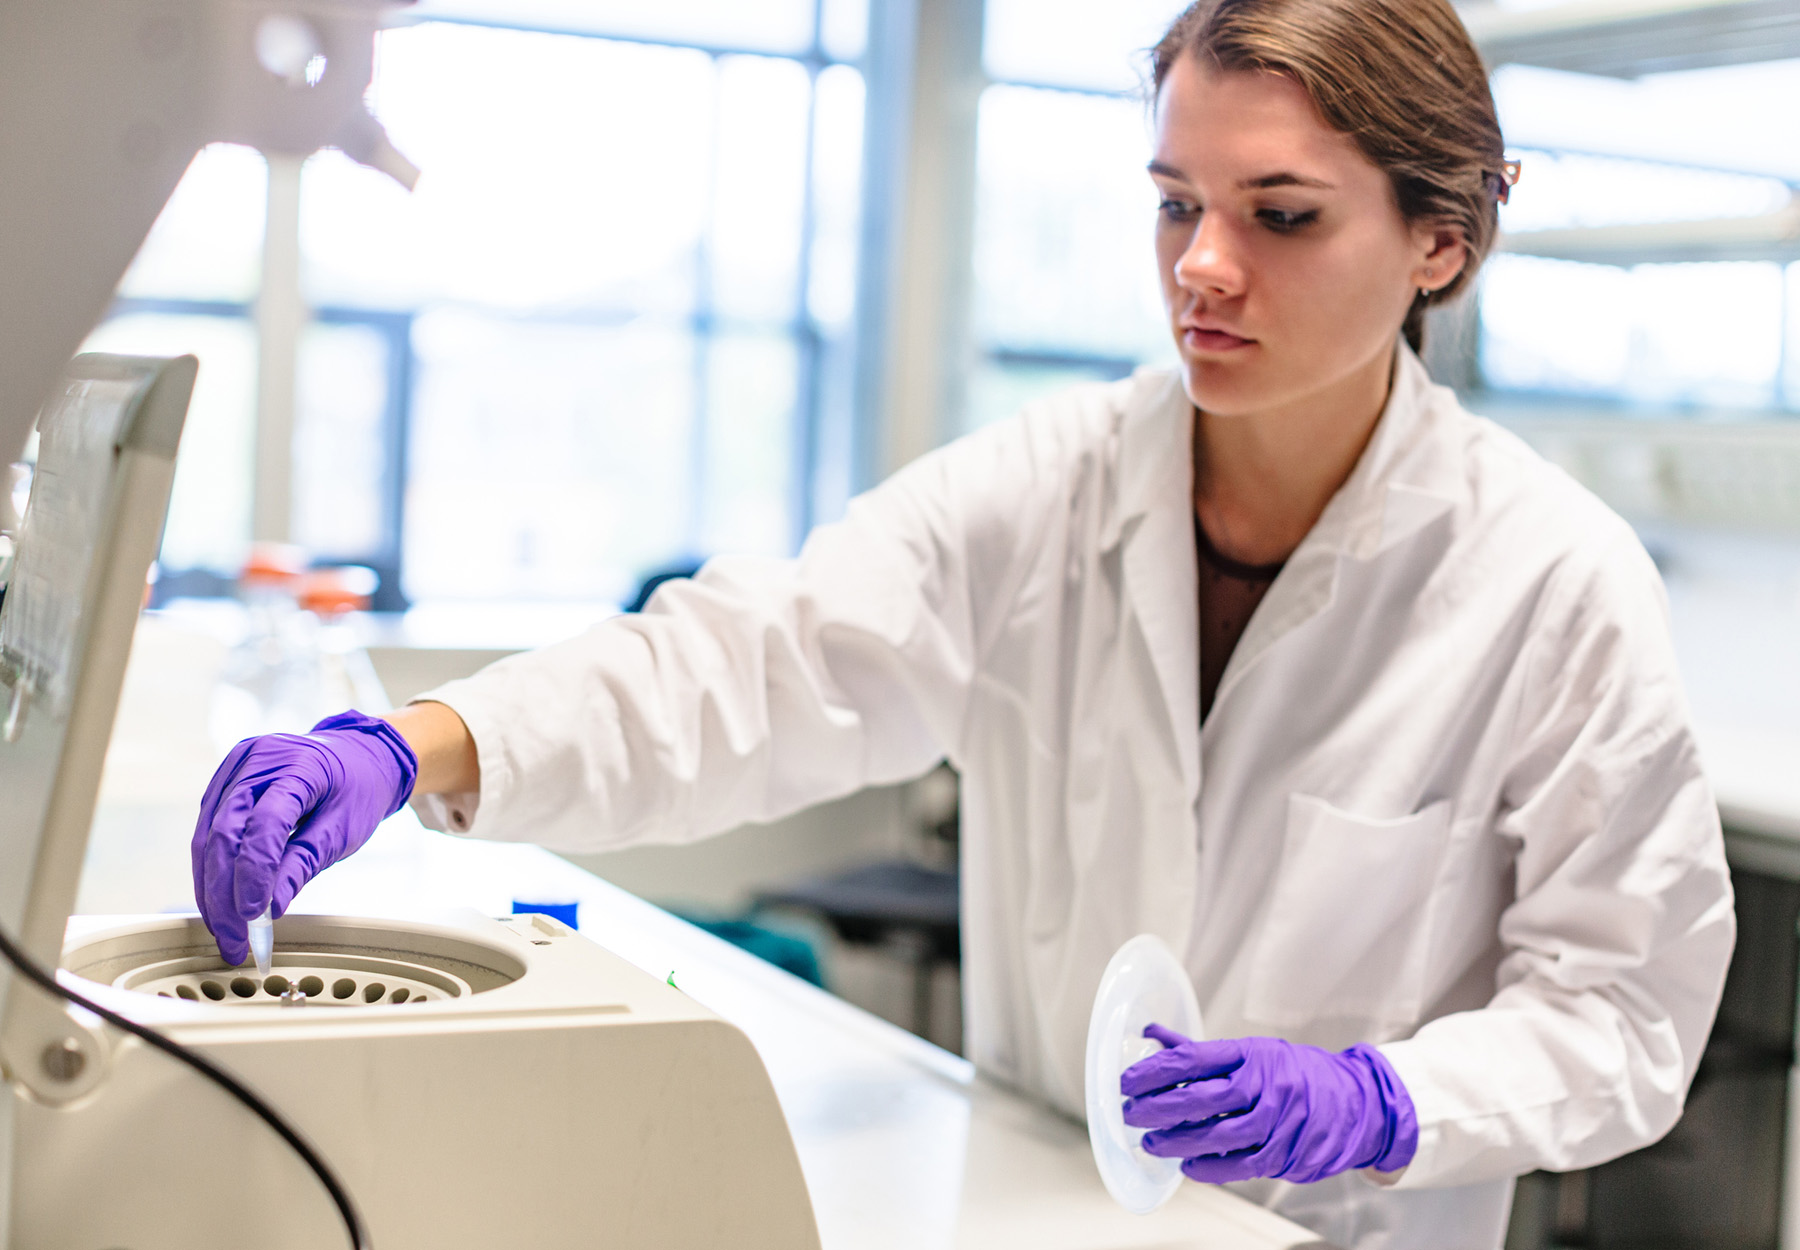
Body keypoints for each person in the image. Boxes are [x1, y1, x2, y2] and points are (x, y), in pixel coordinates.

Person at [189, 0, 1735, 1245]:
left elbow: (1624, 1012)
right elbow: (758, 660)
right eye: (1176, 201)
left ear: (1439, 244)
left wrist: (1385, 1101)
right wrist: (413, 744)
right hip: (1036, 1203)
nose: (1202, 264)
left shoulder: (1550, 584)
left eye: (1279, 213)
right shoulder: (1050, 490)